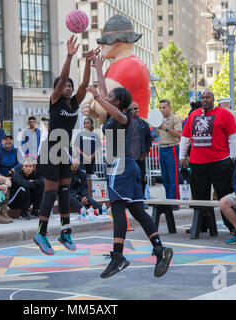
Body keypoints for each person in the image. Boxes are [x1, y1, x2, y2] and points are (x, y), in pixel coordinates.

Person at [85, 81, 173, 279]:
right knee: (137, 211)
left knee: (117, 209)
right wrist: (100, 69)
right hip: (130, 166)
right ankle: (160, 250)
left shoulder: (124, 117)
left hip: (121, 166)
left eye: (110, 97)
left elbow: (115, 110)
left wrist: (96, 96)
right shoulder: (112, 112)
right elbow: (109, 99)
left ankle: (118, 257)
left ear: (118, 102)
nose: (106, 98)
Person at [34, 36, 98, 256]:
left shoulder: (75, 102)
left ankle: (65, 231)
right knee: (50, 193)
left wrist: (88, 62)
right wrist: (69, 56)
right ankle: (41, 233)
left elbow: (83, 85)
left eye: (70, 86)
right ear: (59, 90)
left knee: (64, 191)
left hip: (64, 150)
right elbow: (62, 79)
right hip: (50, 149)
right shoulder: (54, 101)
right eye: (65, 86)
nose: (68, 88)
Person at [179, 90, 236, 233]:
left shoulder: (224, 114)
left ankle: (233, 227)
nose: (205, 100)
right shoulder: (193, 115)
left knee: (224, 194)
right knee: (200, 196)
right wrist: (182, 157)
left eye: (208, 98)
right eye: (203, 98)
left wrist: (232, 156)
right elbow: (185, 138)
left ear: (213, 99)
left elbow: (233, 136)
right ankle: (202, 225)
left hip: (220, 161)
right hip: (197, 162)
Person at [157, 99, 182, 201]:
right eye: (160, 107)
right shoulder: (159, 119)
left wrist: (166, 128)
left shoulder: (175, 118)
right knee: (165, 177)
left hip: (172, 147)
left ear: (169, 107)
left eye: (164, 107)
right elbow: (158, 133)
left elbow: (179, 134)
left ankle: (175, 202)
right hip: (162, 148)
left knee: (173, 176)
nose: (162, 110)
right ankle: (169, 200)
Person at [73, 117, 102, 196]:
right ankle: (83, 196)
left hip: (91, 160)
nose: (86, 125)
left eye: (87, 123)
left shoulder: (95, 135)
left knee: (89, 178)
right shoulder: (80, 134)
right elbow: (76, 146)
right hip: (82, 159)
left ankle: (89, 196)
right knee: (83, 177)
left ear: (92, 124)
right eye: (84, 123)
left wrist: (92, 155)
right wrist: (84, 155)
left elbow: (98, 146)